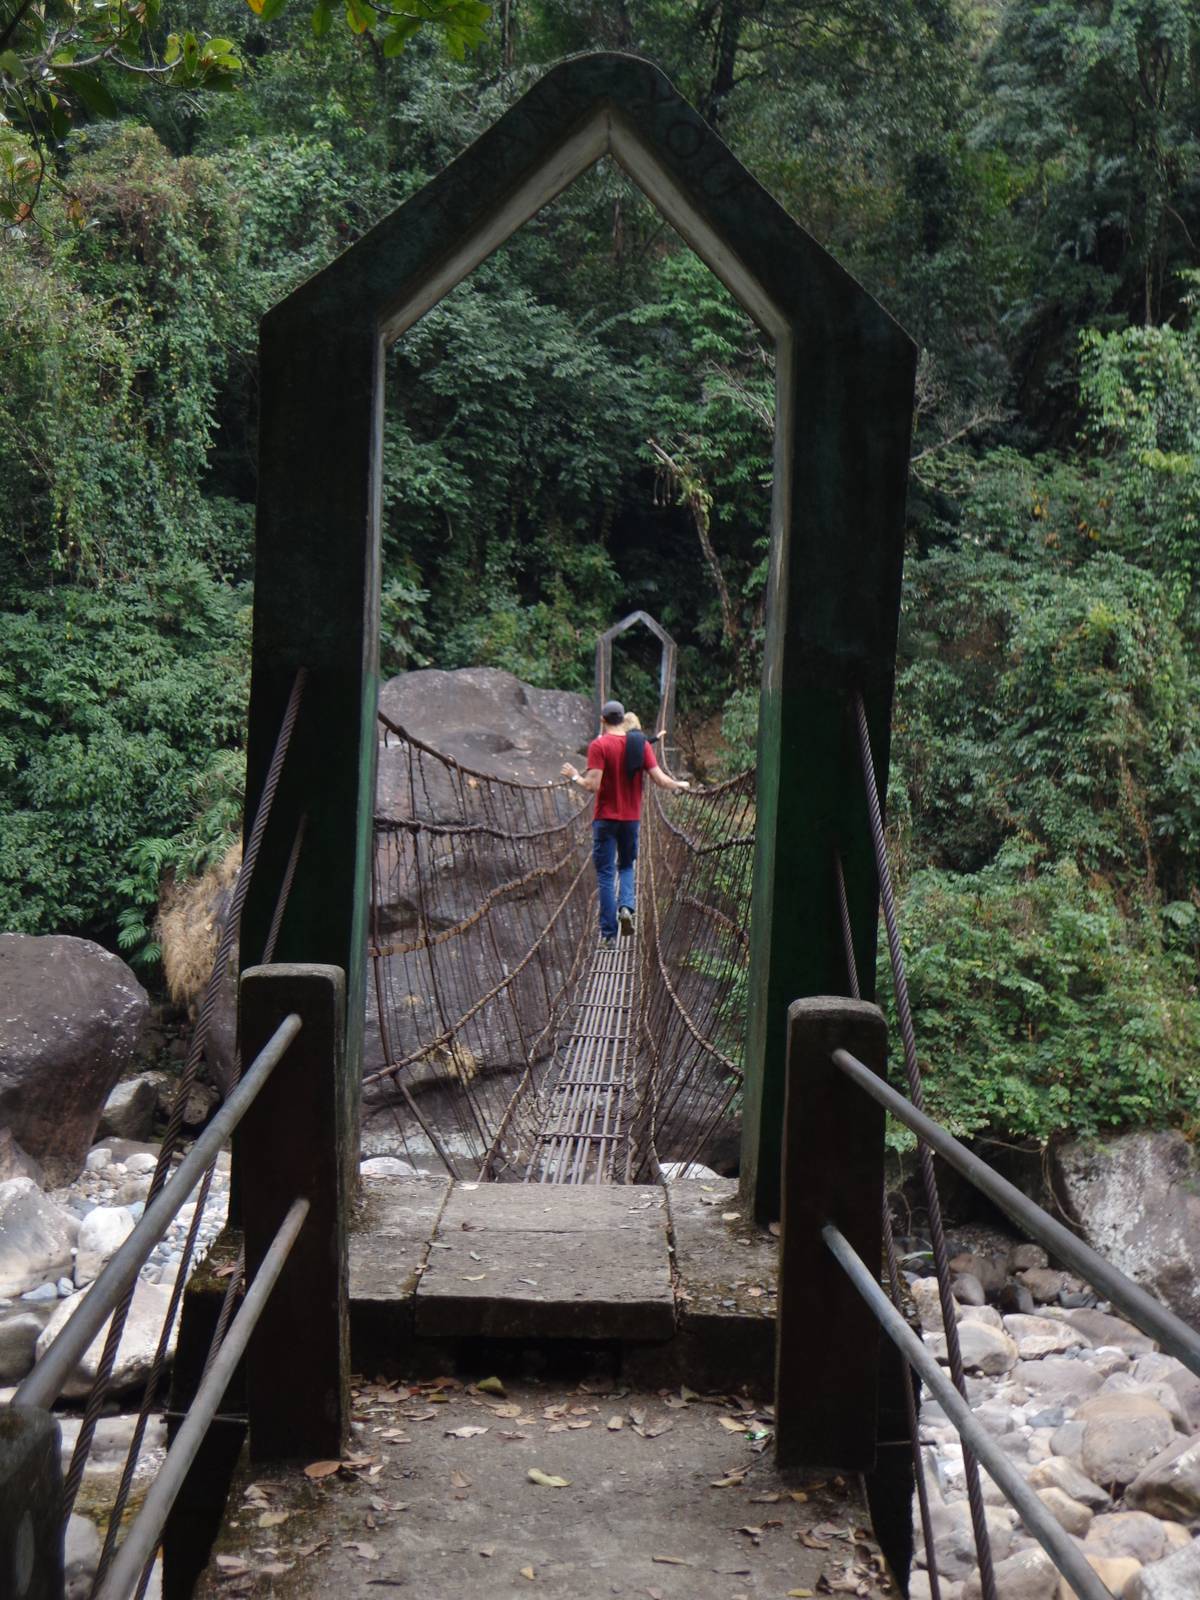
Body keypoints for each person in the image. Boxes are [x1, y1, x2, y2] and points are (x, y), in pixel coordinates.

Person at [561, 699, 689, 947]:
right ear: (623, 719)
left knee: (606, 874)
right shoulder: (641, 744)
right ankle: (627, 908)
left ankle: (609, 936)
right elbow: (660, 779)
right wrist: (678, 784)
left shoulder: (599, 746)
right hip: (631, 819)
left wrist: (575, 776)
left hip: (605, 819)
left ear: (603, 720)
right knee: (627, 866)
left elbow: (592, 785)